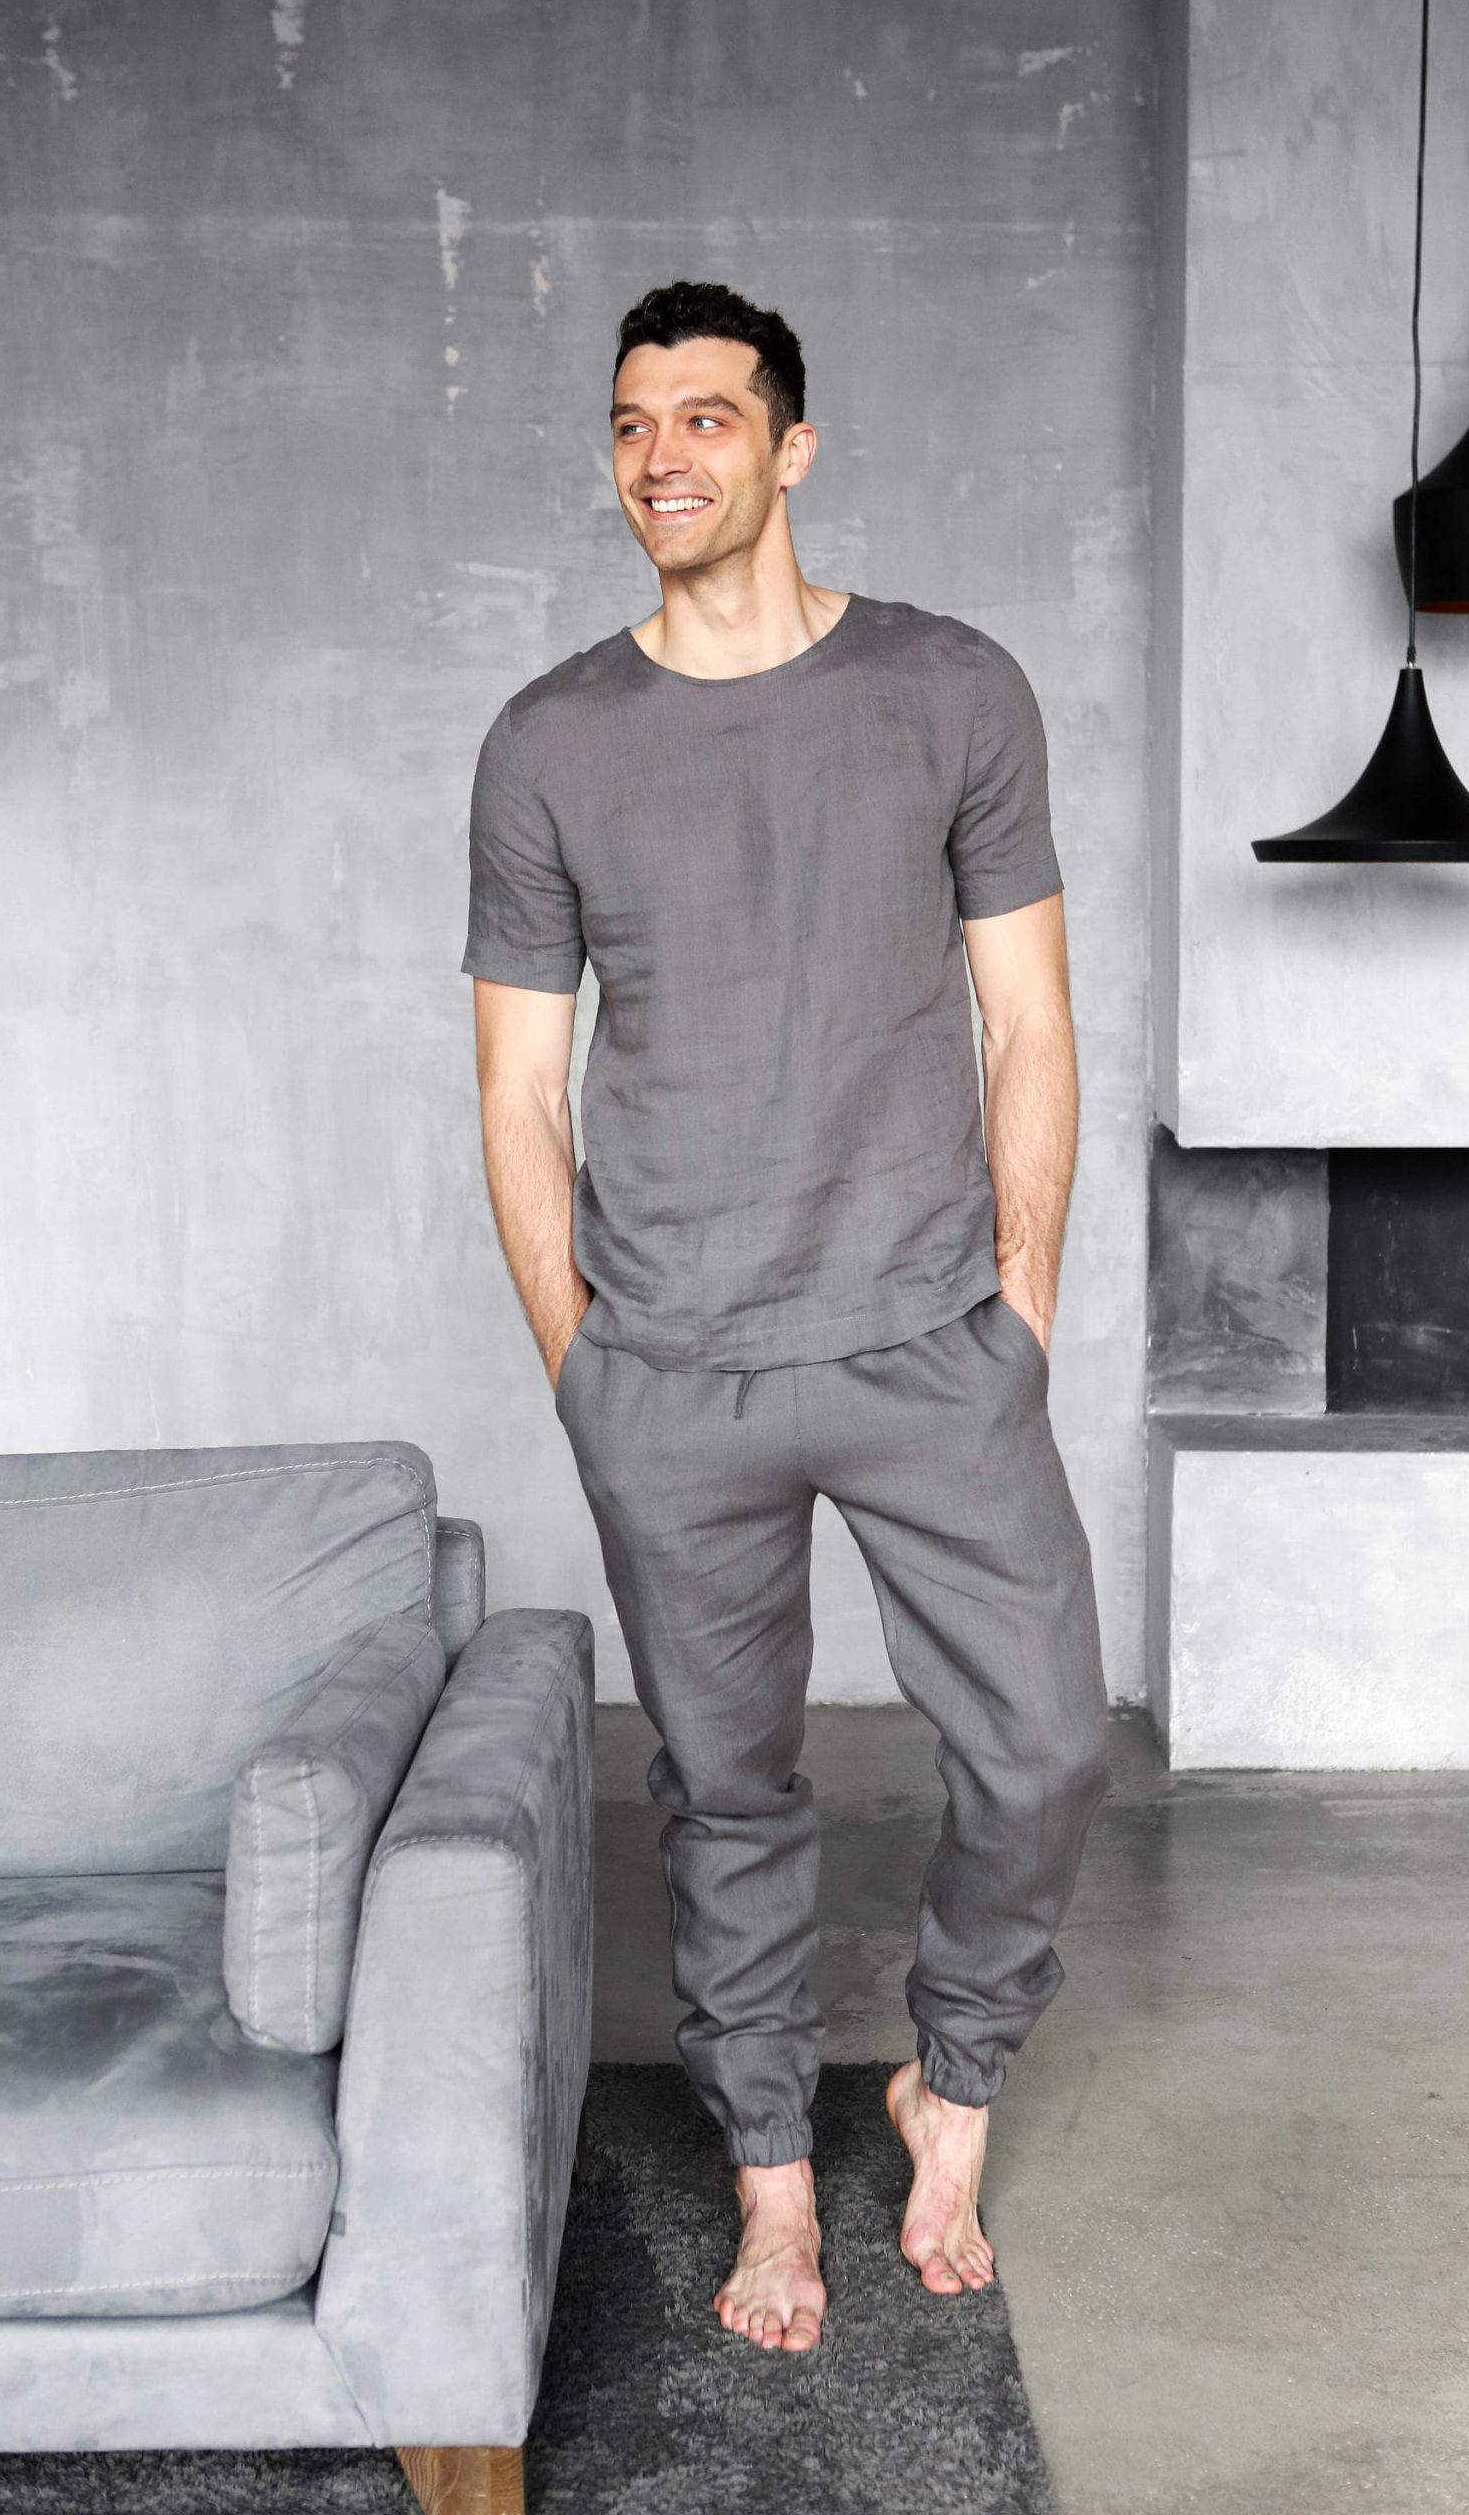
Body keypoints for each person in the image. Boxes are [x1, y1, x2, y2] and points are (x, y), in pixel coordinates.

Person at [460, 279, 1111, 2358]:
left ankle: (950, 2082)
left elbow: (1029, 1021)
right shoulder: (548, 742)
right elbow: (515, 1086)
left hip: (930, 1338)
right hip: (672, 1366)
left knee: (1043, 1744)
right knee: (727, 1789)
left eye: (707, 419)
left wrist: (1017, 1311)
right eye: (631, 425)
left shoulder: (951, 690)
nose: (661, 459)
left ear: (790, 447)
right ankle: (768, 2177)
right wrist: (584, 1368)